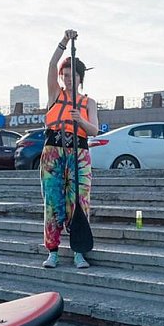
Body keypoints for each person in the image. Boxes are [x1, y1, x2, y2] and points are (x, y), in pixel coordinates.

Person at [41, 29, 100, 269]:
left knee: (79, 201)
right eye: (64, 75)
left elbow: (94, 130)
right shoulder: (55, 94)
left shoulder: (89, 102)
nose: (67, 79)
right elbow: (51, 63)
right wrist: (64, 42)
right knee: (53, 202)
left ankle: (79, 250)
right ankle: (52, 251)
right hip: (53, 153)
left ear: (80, 78)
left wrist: (80, 121)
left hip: (79, 154)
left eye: (71, 75)